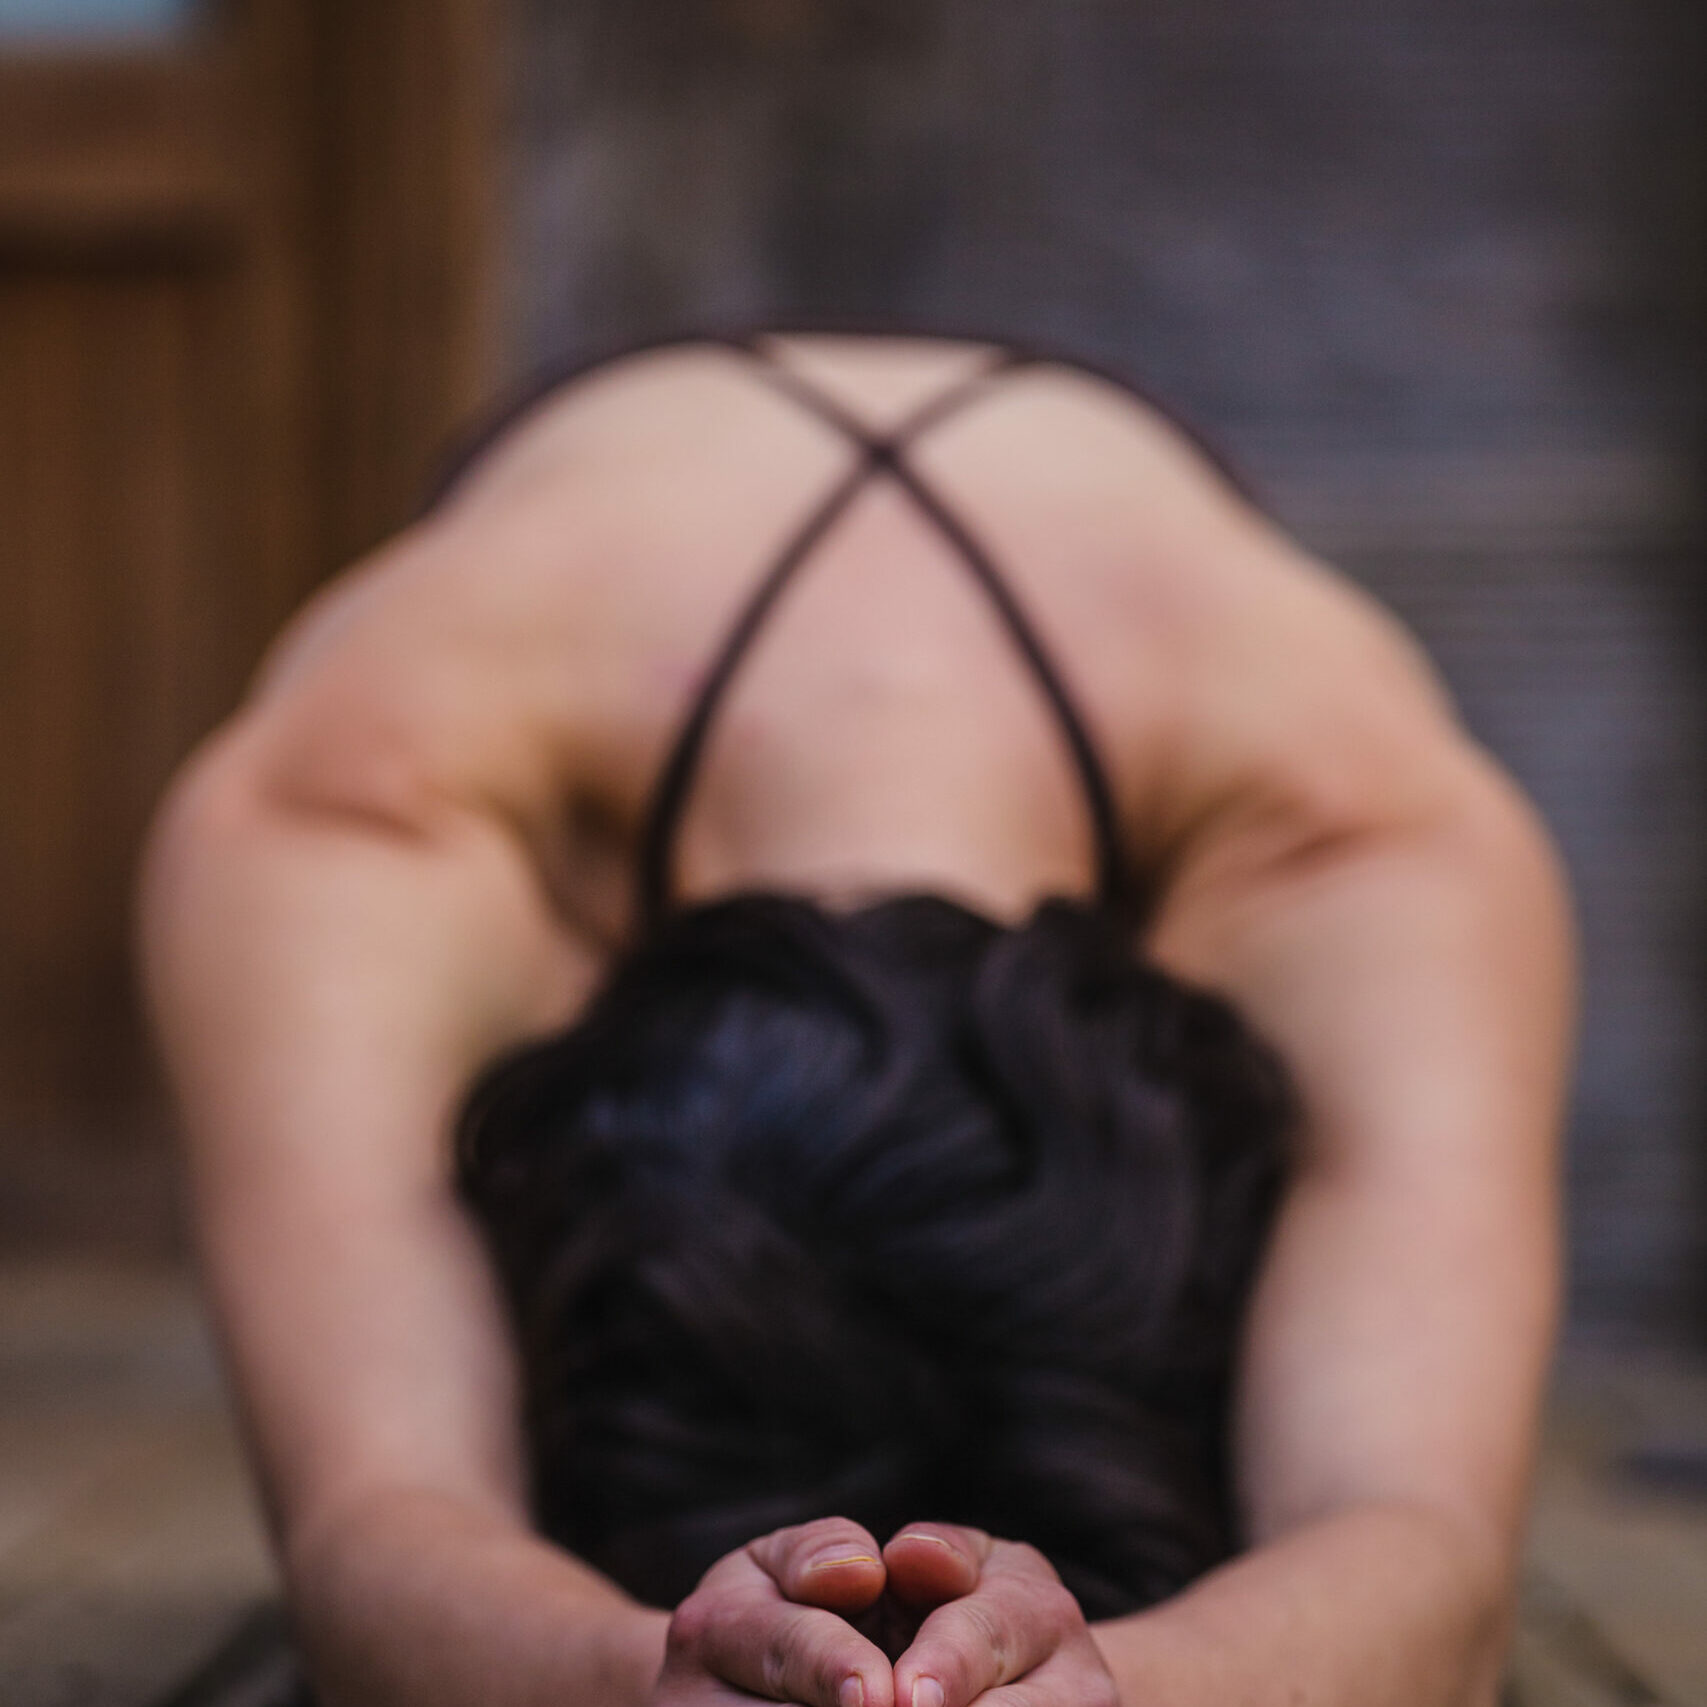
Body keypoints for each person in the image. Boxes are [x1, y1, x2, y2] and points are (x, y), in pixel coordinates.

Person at [139, 332, 1574, 1707]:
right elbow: (367, 1519)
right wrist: (653, 1671)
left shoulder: (1350, 830)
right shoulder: (358, 802)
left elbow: (1434, 1553)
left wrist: (1105, 1682)